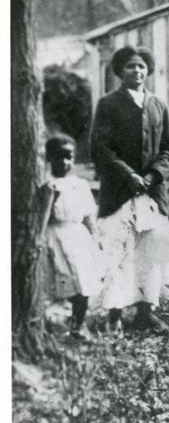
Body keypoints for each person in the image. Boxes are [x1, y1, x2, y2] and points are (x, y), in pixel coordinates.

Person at [91, 46, 169, 334]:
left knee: (151, 252)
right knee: (119, 251)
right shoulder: (108, 104)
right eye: (130, 66)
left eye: (142, 66)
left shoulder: (158, 105)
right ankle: (114, 314)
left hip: (151, 193)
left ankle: (146, 311)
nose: (137, 71)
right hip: (120, 192)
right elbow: (100, 146)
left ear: (148, 70)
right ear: (120, 71)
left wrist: (153, 175)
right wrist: (128, 174)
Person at [39, 134, 101, 340]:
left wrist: (95, 236)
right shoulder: (48, 185)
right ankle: (49, 324)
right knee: (63, 282)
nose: (64, 162)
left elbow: (88, 214)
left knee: (84, 283)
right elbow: (43, 217)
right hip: (56, 236)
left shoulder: (80, 184)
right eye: (59, 157)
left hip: (77, 237)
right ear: (49, 159)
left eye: (69, 157)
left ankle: (78, 325)